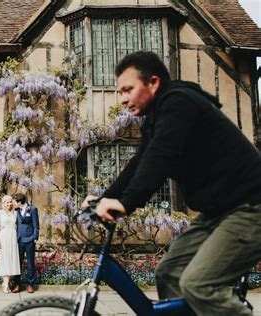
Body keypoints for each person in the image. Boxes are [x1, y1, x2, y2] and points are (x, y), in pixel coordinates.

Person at [82, 50, 261, 315]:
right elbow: (138, 164)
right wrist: (104, 197)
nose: (122, 99)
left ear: (153, 82)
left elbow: (160, 158)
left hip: (250, 207)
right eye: (119, 92)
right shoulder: (155, 120)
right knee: (169, 272)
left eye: (127, 89)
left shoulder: (179, 103)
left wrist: (126, 203)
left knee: (200, 284)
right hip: (218, 213)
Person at [11, 192, 40, 293]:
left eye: (14, 201)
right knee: (17, 263)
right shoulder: (15, 210)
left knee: (30, 263)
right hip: (18, 240)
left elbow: (36, 225)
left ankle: (30, 284)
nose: (12, 203)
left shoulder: (32, 209)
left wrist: (34, 238)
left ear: (19, 202)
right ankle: (17, 284)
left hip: (29, 240)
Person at [0, 195, 21, 293]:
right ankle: (5, 285)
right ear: (3, 203)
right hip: (4, 237)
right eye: (7, 202)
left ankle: (5, 284)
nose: (9, 204)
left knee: (11, 261)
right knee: (5, 260)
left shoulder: (15, 213)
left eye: (10, 201)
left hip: (13, 237)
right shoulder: (0, 213)